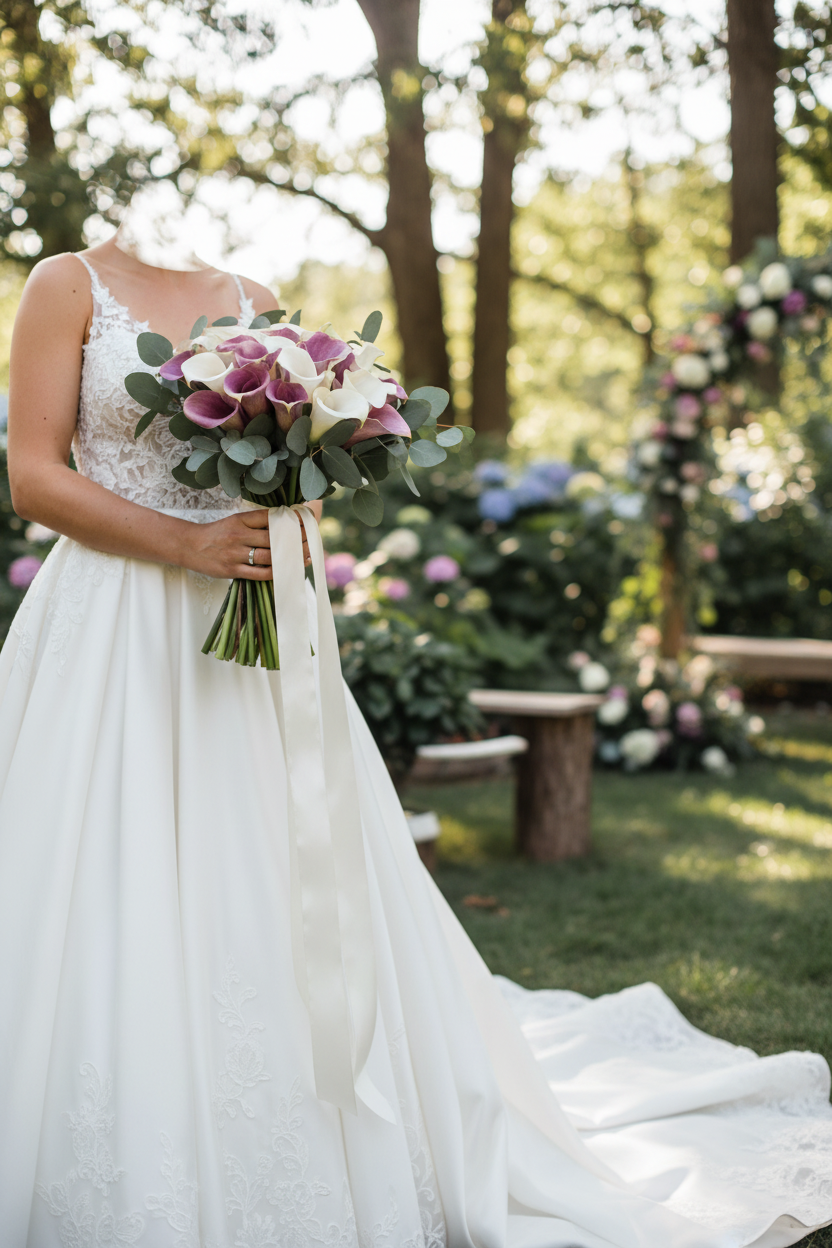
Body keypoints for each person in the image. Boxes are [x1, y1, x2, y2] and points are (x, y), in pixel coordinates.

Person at [1, 228, 831, 1248]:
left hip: (245, 634)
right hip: (114, 631)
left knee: (267, 870)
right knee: (102, 874)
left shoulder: (253, 295)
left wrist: (291, 497)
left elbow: (286, 485)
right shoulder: (65, 284)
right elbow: (33, 479)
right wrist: (187, 542)